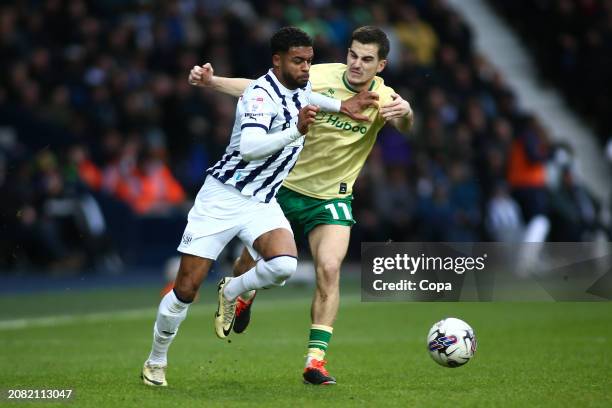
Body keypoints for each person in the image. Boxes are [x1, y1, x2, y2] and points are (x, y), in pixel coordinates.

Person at [141, 26, 376, 387]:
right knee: (186, 288)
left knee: (283, 264)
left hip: (262, 201)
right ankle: (156, 360)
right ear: (277, 60)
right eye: (298, 61)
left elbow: (312, 97)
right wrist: (296, 131)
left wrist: (343, 106)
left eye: (309, 61)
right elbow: (251, 147)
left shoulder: (299, 89)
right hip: (223, 197)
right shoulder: (259, 96)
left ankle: (232, 290)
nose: (305, 68)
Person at [188, 26, 413, 385]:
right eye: (353, 54)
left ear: (381, 65)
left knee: (329, 267)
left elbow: (405, 127)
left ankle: (315, 361)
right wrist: (214, 82)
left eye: (367, 59)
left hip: (332, 197)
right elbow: (258, 88)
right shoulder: (318, 75)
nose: (356, 64)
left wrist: (407, 112)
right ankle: (240, 292)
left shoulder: (384, 98)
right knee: (253, 260)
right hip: (283, 186)